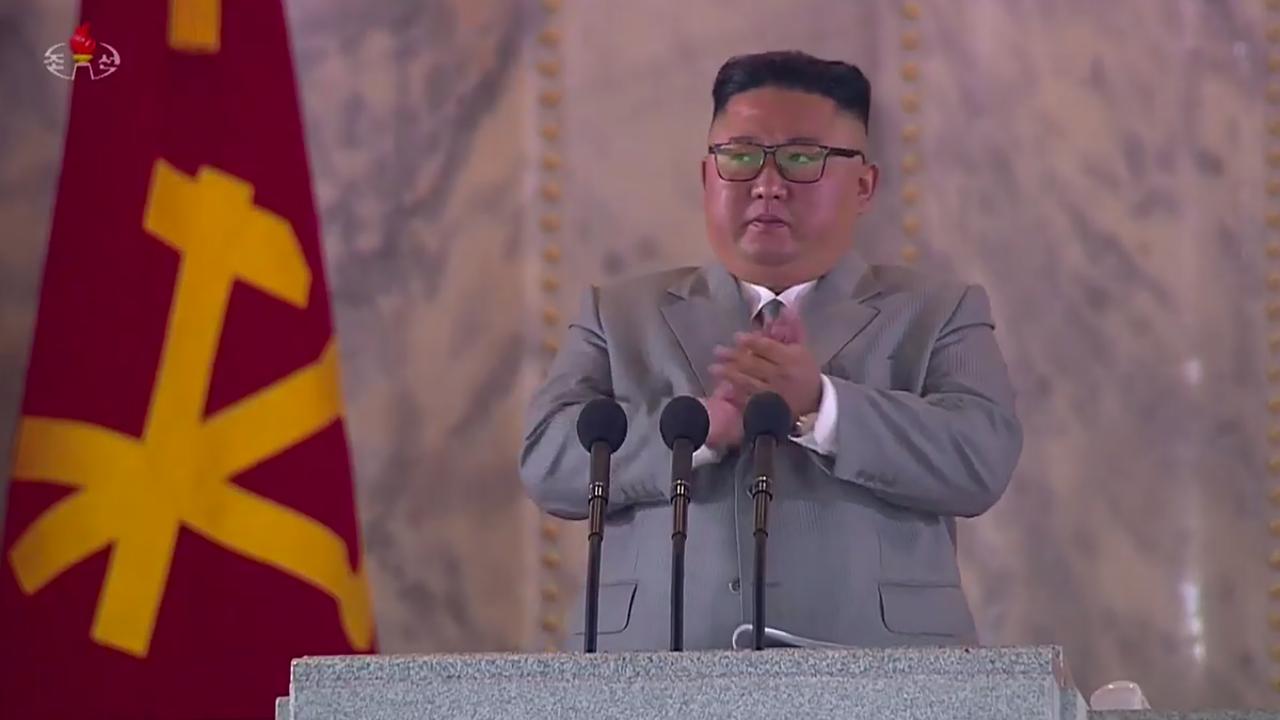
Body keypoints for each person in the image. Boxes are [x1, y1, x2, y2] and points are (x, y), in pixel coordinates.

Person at [520, 50, 1021, 650]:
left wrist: (821, 404)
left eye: (803, 158)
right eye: (740, 155)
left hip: (879, 676)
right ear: (707, 176)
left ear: (864, 185)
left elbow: (980, 458)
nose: (766, 184)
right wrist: (703, 429)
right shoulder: (620, 314)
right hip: (652, 670)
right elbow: (547, 462)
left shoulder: (938, 312)